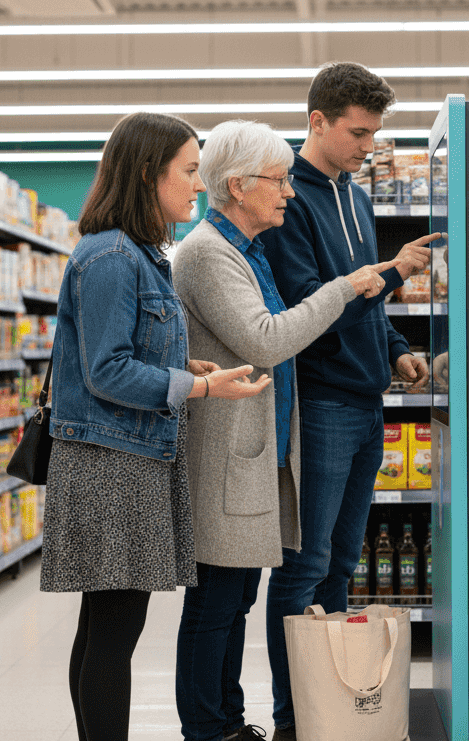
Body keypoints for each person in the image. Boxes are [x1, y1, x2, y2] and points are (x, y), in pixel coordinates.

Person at [39, 111, 271, 741]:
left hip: (126, 456)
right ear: (149, 174)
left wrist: (181, 362)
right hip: (110, 466)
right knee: (114, 634)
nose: (199, 185)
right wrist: (198, 385)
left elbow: (122, 351)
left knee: (104, 627)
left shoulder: (139, 253)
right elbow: (106, 371)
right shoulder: (113, 255)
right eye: (190, 171)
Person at [172, 120, 395, 741]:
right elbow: (266, 339)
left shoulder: (244, 250)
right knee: (216, 602)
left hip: (254, 453)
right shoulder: (207, 254)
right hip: (224, 457)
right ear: (238, 187)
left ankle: (228, 720)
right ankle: (209, 729)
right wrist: (343, 290)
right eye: (276, 182)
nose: (289, 193)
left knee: (236, 598)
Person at [258, 62, 439, 741]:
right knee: (304, 564)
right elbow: (316, 301)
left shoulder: (356, 199)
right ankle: (290, 717)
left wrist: (396, 349)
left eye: (374, 133)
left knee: (342, 562)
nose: (369, 146)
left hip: (369, 402)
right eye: (358, 132)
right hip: (322, 400)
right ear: (318, 122)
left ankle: (327, 706)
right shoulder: (288, 200)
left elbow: (366, 300)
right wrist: (393, 271)